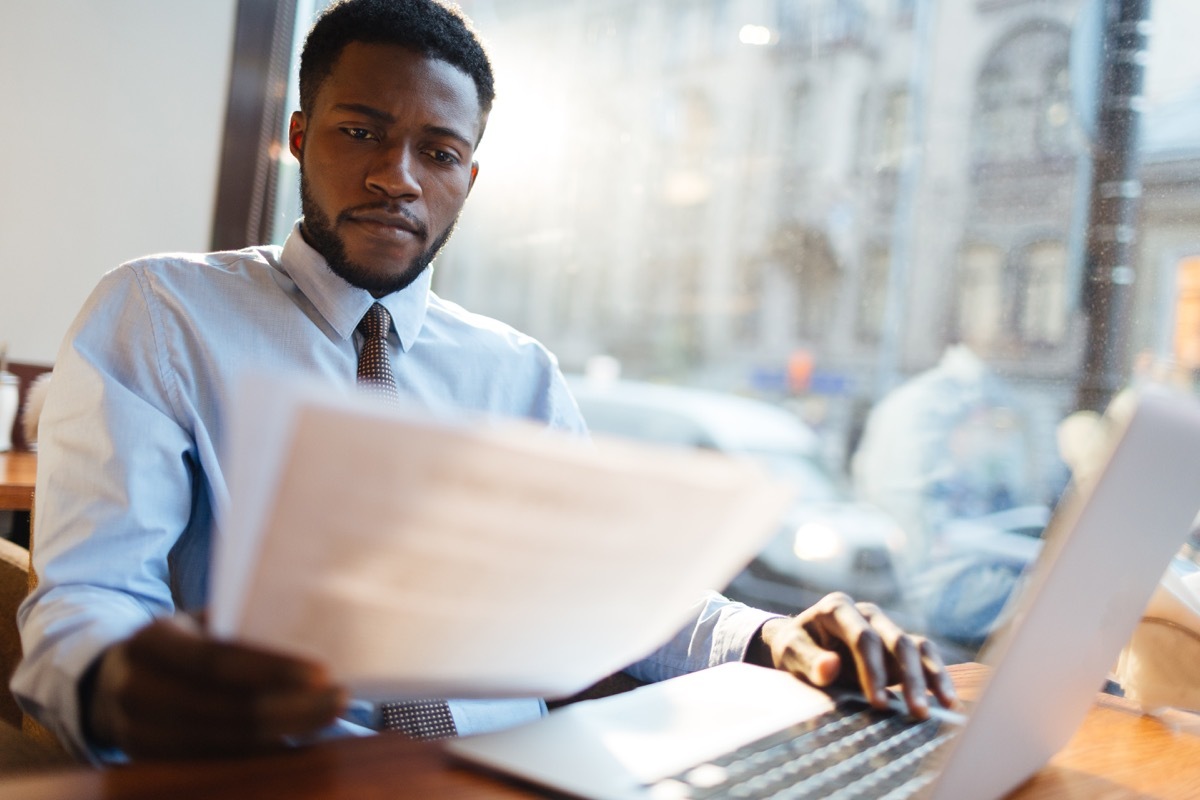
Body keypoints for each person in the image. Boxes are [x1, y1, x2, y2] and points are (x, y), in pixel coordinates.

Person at [12, 0, 956, 762]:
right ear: (299, 136)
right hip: (284, 773)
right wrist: (112, 682)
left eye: (439, 151)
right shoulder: (160, 310)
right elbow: (89, 594)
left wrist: (767, 636)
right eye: (361, 131)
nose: (399, 177)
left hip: (512, 771)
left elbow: (603, 587)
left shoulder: (515, 371)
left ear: (470, 173)